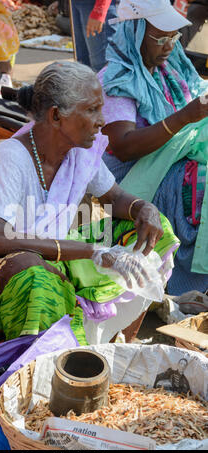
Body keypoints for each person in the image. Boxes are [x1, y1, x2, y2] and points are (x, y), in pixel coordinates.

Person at [0, 61, 178, 346]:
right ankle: (34, 359)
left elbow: (116, 197)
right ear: (57, 116)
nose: (102, 120)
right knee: (32, 273)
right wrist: (92, 252)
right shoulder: (13, 157)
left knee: (155, 232)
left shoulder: (80, 152)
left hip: (56, 248)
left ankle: (117, 339)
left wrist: (143, 208)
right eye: (92, 110)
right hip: (5, 264)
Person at [98, 0, 208, 296]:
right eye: (161, 38)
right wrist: (185, 117)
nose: (170, 46)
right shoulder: (118, 79)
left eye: (173, 37)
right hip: (131, 179)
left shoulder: (171, 69)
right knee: (201, 187)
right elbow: (122, 147)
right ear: (133, 33)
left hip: (170, 162)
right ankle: (186, 282)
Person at [70, 0, 118, 72]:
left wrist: (99, 11)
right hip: (77, 3)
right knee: (82, 65)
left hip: (96, 5)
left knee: (102, 67)